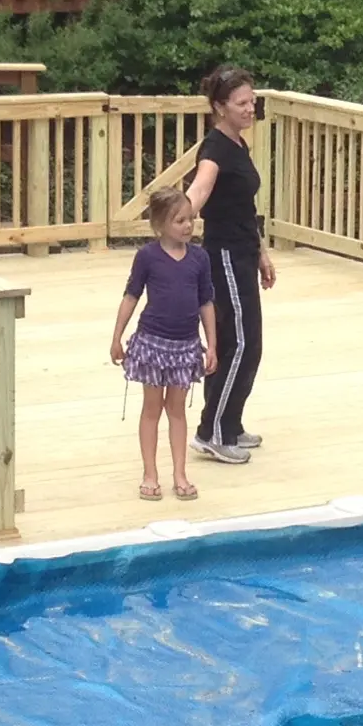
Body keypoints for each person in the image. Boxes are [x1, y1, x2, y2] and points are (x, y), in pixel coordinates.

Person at [185, 65, 276, 465]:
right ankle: (212, 432)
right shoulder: (216, 150)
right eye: (241, 103)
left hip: (242, 252)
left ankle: (231, 423)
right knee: (238, 343)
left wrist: (260, 252)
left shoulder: (238, 144)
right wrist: (176, 226)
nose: (250, 109)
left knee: (246, 342)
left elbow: (244, 207)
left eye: (252, 101)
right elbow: (199, 191)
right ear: (220, 107)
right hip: (222, 256)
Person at [111, 187, 218, 501]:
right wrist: (117, 336)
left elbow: (206, 302)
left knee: (177, 411)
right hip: (153, 343)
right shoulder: (147, 257)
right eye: (179, 220)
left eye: (191, 219)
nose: (188, 226)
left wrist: (211, 344)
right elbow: (131, 296)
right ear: (159, 225)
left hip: (186, 345)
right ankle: (150, 473)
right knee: (151, 409)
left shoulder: (200, 258)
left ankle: (180, 473)